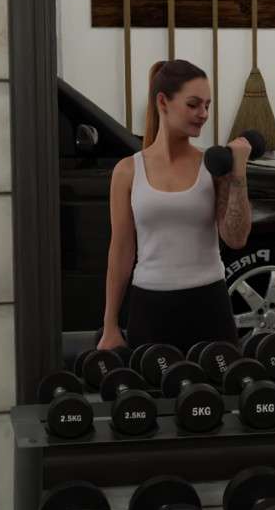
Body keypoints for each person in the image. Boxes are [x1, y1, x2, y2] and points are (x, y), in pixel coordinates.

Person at [96, 57, 251, 355]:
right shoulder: (128, 171)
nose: (203, 114)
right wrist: (110, 324)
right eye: (193, 104)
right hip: (150, 308)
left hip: (209, 304)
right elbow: (121, 250)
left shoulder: (213, 165)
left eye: (207, 105)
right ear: (163, 102)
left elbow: (236, 237)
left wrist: (238, 173)